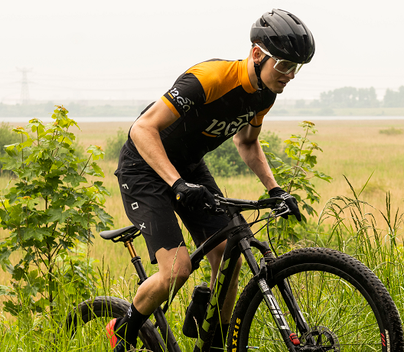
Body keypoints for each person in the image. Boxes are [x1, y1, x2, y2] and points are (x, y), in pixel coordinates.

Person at [105, 8, 315, 352]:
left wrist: (275, 190)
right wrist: (175, 184)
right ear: (258, 53)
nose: (290, 75)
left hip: (187, 167)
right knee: (176, 271)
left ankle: (212, 342)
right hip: (143, 166)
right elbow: (142, 128)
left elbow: (246, 142)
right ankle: (123, 327)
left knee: (228, 252)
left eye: (297, 68)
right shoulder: (209, 78)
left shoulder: (265, 93)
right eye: (284, 65)